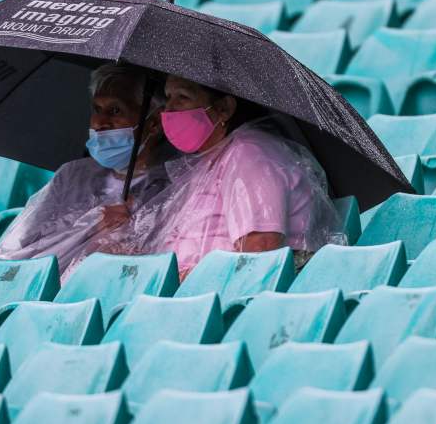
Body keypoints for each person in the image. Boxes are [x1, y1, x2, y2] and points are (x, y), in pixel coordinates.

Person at [110, 75, 344, 277]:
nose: (168, 110)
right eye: (168, 97)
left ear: (224, 109)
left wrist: (193, 281)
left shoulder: (250, 155)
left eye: (182, 97)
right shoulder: (208, 162)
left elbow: (260, 252)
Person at [0, 63, 169, 269]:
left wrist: (132, 229)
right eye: (96, 109)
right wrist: (92, 227)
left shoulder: (169, 184)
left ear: (154, 122)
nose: (99, 122)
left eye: (114, 110)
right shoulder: (72, 175)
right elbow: (16, 247)